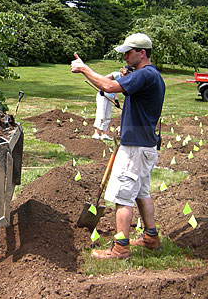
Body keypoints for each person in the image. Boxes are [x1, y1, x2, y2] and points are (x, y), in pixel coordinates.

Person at [71, 33, 166, 260]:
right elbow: (140, 108)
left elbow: (109, 86)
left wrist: (84, 69)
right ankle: (150, 238)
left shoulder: (145, 75)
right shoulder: (150, 76)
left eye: (128, 52)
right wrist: (126, 127)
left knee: (123, 195)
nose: (125, 56)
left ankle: (120, 247)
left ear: (142, 53)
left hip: (135, 148)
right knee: (142, 193)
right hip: (142, 143)